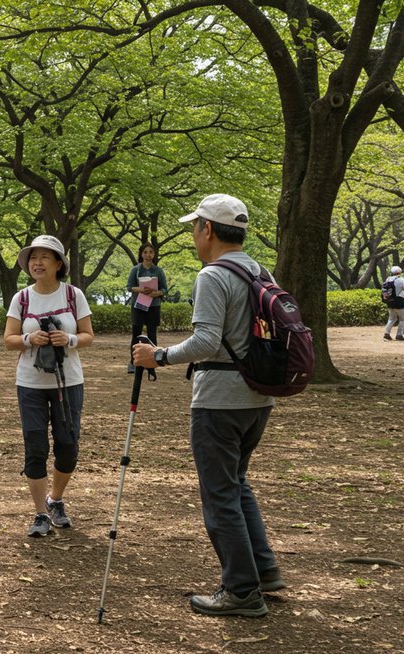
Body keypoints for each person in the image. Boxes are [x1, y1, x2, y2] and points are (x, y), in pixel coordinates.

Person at [133, 193, 283, 618]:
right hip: (258, 397)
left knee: (220, 494)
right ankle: (264, 570)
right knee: (237, 485)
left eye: (195, 226)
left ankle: (240, 590)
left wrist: (157, 356)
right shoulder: (258, 269)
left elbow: (206, 342)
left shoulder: (213, 275)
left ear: (209, 230)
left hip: (219, 400)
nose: (194, 234)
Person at [3, 235, 94, 538]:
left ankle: (56, 498)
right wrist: (30, 339)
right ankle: (40, 512)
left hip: (69, 381)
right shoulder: (22, 298)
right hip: (30, 383)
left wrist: (67, 339)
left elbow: (88, 335)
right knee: (35, 446)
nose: (37, 263)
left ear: (59, 264)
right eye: (33, 258)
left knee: (68, 446)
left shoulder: (73, 295)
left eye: (45, 257)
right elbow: (9, 340)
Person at [127, 243, 169, 379]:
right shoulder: (135, 270)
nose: (148, 254)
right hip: (138, 305)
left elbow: (164, 289)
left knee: (152, 335)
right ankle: (133, 362)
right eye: (145, 252)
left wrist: (156, 293)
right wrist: (141, 289)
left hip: (154, 305)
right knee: (136, 334)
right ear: (141, 254)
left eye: (151, 252)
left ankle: (152, 364)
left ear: (154, 254)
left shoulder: (158, 271)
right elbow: (129, 287)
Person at [382, 265, 404, 341]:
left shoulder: (388, 279)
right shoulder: (401, 280)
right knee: (403, 319)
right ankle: (399, 335)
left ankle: (386, 334)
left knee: (392, 318)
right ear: (400, 272)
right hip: (399, 302)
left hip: (389, 301)